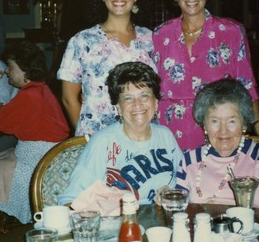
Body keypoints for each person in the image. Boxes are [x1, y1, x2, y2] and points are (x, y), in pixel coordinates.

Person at [153, 0, 259, 150]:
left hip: (216, 131)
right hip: (167, 132)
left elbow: (246, 84)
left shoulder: (230, 32)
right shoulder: (160, 35)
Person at [59, 62, 182, 207]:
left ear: (155, 103)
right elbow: (69, 201)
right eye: (128, 98)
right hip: (118, 225)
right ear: (118, 107)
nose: (137, 104)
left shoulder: (165, 136)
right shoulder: (103, 142)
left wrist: (170, 192)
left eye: (144, 95)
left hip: (162, 225)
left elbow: (184, 183)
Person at [57, 0, 155, 136]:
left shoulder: (151, 39)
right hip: (98, 141)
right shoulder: (82, 41)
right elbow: (68, 98)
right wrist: (87, 139)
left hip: (143, 137)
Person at [0, 41, 69, 224]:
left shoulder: (30, 95)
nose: (7, 71)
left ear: (25, 70)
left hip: (37, 159)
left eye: (10, 66)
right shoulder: (40, 88)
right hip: (48, 155)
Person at [175, 78, 259, 212]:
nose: (223, 131)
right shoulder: (189, 160)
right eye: (214, 121)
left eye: (231, 121)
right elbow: (178, 215)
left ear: (244, 124)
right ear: (204, 126)